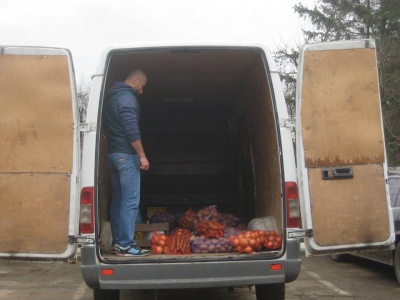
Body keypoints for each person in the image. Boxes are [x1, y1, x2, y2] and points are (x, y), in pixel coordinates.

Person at [103, 69, 150, 256]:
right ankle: (126, 244)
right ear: (135, 80)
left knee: (118, 201)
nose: (141, 91)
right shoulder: (127, 97)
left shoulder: (113, 96)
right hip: (125, 155)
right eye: (142, 86)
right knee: (130, 201)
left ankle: (118, 243)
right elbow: (130, 127)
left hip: (113, 154)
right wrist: (142, 155)